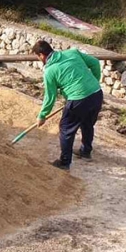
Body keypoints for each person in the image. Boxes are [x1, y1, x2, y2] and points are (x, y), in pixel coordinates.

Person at [34, 40, 104, 170]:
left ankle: (64, 162)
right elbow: (94, 63)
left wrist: (42, 115)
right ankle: (86, 151)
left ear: (42, 55)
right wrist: (93, 82)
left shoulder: (49, 71)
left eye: (38, 57)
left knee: (66, 128)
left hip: (78, 100)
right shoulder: (72, 53)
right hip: (97, 94)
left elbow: (50, 96)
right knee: (87, 122)